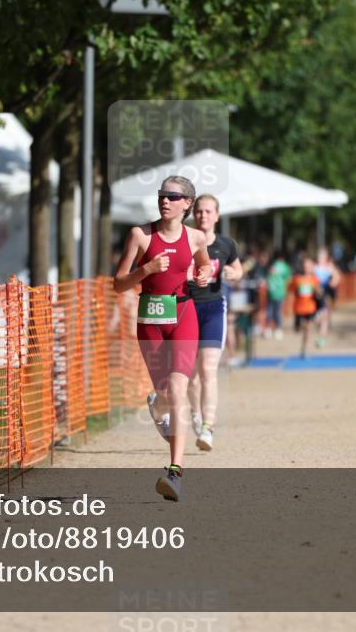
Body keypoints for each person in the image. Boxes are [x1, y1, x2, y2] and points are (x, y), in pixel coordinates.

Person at [113, 176, 213, 502]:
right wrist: (148, 269)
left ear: (187, 203)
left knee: (179, 390)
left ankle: (175, 472)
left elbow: (203, 266)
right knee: (165, 393)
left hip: (184, 317)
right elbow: (119, 283)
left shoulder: (196, 237)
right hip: (151, 321)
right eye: (161, 195)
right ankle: (158, 406)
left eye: (172, 196)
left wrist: (203, 274)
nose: (165, 201)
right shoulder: (141, 236)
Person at [186, 194, 243, 452]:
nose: (203, 216)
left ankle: (208, 428)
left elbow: (238, 269)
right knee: (190, 376)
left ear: (217, 216)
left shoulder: (226, 245)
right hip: (185, 309)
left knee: (208, 370)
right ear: (193, 214)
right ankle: (195, 414)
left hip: (212, 309)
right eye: (199, 211)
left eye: (208, 211)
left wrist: (233, 273)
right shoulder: (184, 241)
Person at [289, 257, 322, 358]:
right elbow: (290, 290)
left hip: (310, 308)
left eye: (309, 266)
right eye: (305, 266)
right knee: (298, 329)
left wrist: (317, 292)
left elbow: (319, 293)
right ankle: (302, 335)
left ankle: (304, 350)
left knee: (308, 329)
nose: (307, 268)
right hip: (298, 308)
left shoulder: (314, 279)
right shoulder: (297, 279)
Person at [313, 248, 341, 349]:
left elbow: (336, 278)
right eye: (319, 256)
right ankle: (316, 322)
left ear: (326, 258)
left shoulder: (330, 268)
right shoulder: (314, 268)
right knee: (318, 318)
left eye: (323, 256)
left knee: (325, 317)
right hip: (314, 297)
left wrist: (332, 283)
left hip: (326, 295)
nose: (321, 258)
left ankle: (321, 339)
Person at [264, 250, 292, 340]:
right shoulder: (286, 267)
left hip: (271, 292)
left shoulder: (272, 265)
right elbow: (288, 280)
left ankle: (268, 330)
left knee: (270, 311)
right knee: (278, 312)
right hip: (280, 292)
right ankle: (278, 330)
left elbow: (268, 277)